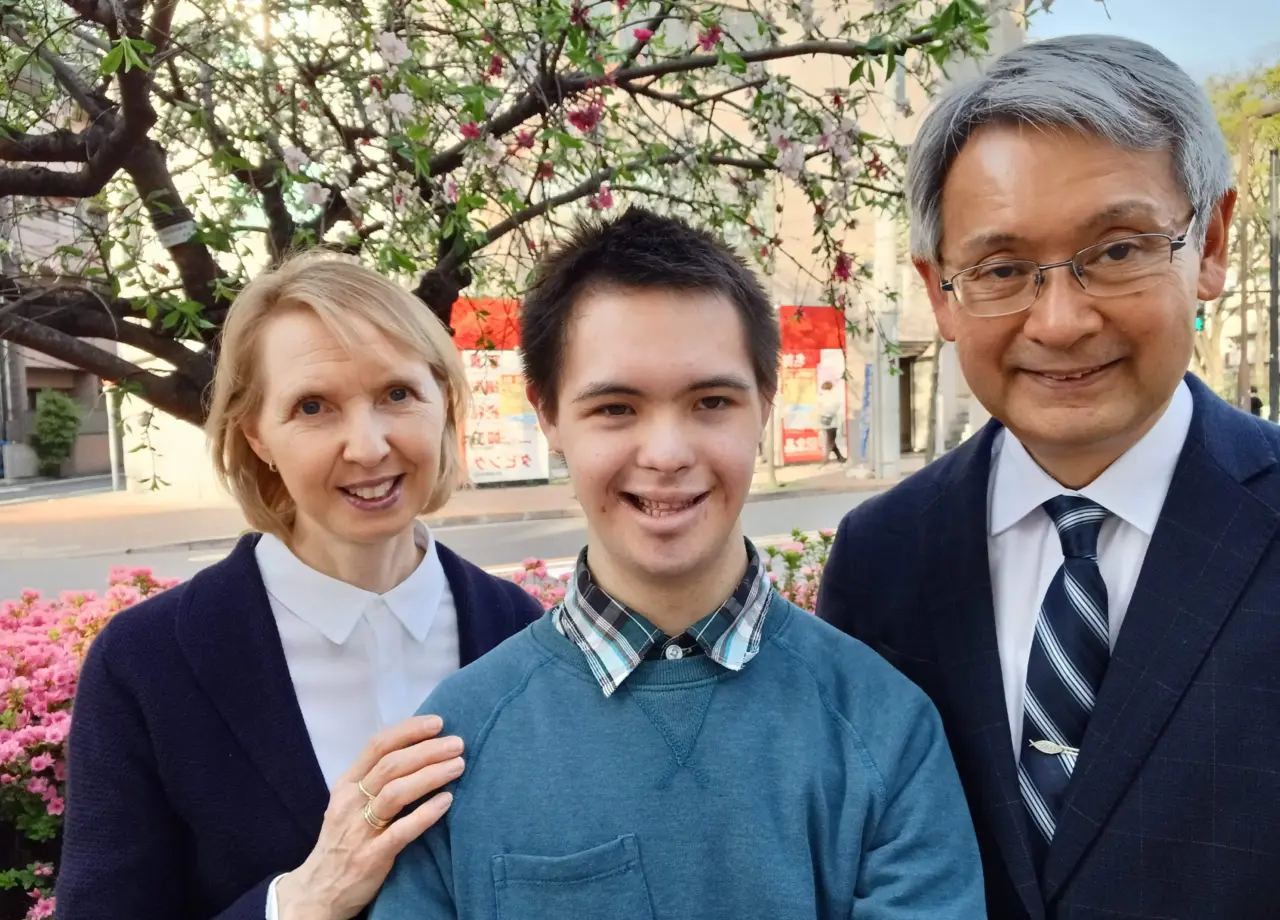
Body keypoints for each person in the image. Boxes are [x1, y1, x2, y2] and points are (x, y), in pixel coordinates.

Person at [369, 207, 985, 920]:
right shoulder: (456, 743)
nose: (666, 454)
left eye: (711, 401)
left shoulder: (883, 724)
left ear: (764, 405)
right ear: (549, 415)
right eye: (615, 408)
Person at [818, 34, 1280, 920]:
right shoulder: (882, 558)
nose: (1061, 322)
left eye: (1118, 251)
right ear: (941, 291)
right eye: (1001, 269)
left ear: (1212, 242)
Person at [57, 253, 543, 920]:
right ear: (256, 435)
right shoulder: (147, 664)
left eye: (397, 394)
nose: (367, 447)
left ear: (444, 402)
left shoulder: (518, 629)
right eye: (313, 406)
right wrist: (304, 899)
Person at [818, 379, 846, 465]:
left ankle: (837, 457)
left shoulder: (821, 396)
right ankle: (828, 458)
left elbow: (818, 408)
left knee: (830, 440)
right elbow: (836, 407)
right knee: (830, 440)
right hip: (832, 421)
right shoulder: (833, 396)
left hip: (824, 421)